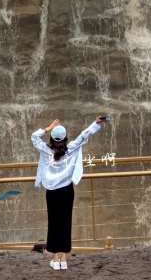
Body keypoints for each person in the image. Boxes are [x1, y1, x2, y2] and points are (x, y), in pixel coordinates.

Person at [31, 115, 105, 269]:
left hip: (51, 190)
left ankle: (55, 259)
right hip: (66, 190)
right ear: (65, 138)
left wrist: (47, 128)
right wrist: (96, 123)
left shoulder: (45, 150)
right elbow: (84, 136)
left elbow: (34, 137)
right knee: (65, 222)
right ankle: (64, 260)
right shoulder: (71, 149)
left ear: (52, 138)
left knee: (53, 222)